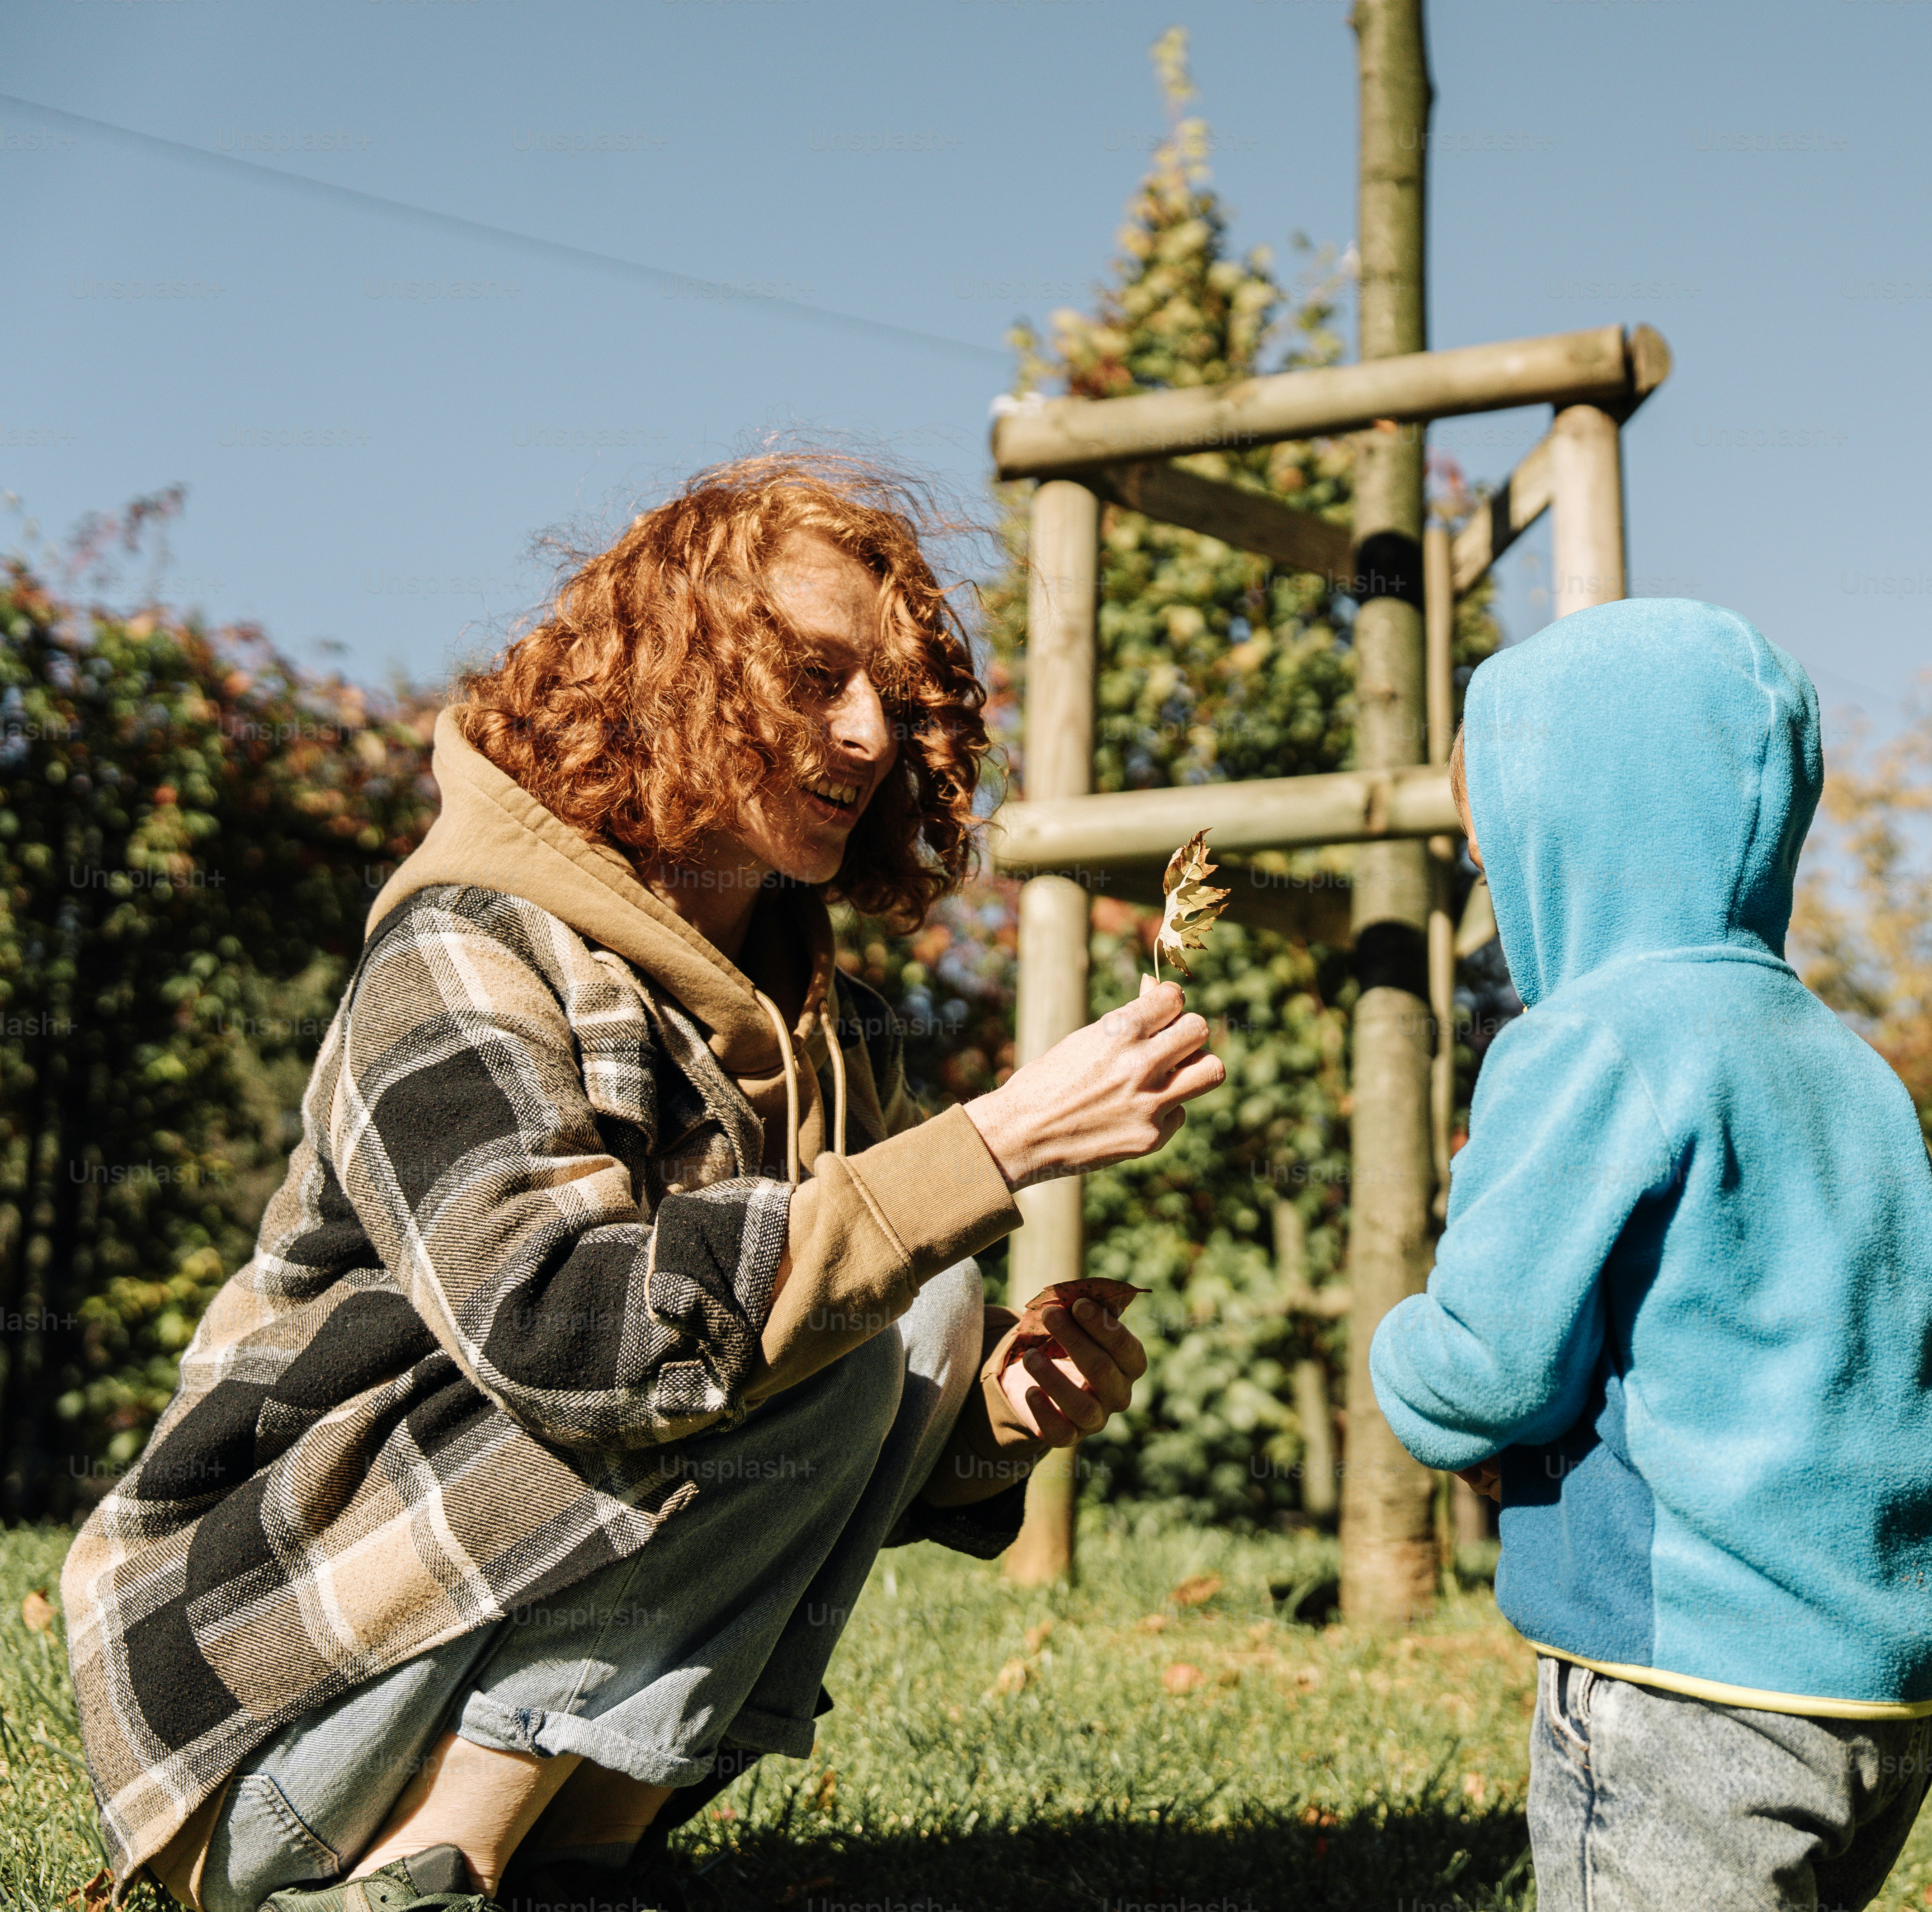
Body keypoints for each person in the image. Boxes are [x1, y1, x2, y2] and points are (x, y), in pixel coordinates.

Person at [59, 455, 1224, 1912]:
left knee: (916, 1305)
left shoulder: (830, 1027)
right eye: (814, 677)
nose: (867, 734)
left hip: (470, 1673)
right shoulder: (464, 951)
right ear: (670, 672)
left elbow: (802, 1463)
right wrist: (989, 1148)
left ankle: (574, 1863)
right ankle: (438, 1863)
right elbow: (566, 1334)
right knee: (830, 1284)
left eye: (894, 698)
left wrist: (991, 1412)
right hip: (268, 1721)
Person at [1369, 597, 1932, 1912]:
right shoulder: (1850, 1063)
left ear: (1571, 841)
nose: (1499, 905)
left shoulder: (1591, 1040)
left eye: (1499, 862)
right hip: (1883, 1678)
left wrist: (1400, 1357)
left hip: (1687, 1681)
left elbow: (1492, 1368)